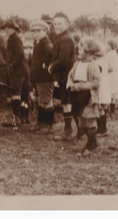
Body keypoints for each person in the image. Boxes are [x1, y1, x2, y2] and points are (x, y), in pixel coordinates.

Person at [67, 38, 102, 157]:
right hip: (78, 95)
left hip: (89, 97)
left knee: (90, 119)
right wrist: (71, 83)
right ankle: (94, 142)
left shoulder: (93, 65)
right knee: (80, 118)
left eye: (81, 49)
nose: (78, 51)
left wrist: (81, 86)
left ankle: (89, 146)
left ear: (89, 52)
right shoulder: (77, 63)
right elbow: (70, 75)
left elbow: (96, 83)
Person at [48, 12, 76, 141]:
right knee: (66, 102)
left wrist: (52, 67)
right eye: (55, 24)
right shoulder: (61, 37)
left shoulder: (65, 38)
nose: (57, 26)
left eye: (60, 23)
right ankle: (72, 130)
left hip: (66, 76)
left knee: (66, 103)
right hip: (64, 76)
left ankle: (68, 131)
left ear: (67, 24)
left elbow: (63, 60)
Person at [28, 20, 55, 133]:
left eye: (38, 31)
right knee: (41, 101)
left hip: (45, 78)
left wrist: (46, 65)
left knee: (47, 101)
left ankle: (48, 126)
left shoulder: (46, 44)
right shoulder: (39, 43)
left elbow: (50, 58)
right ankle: (41, 122)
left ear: (45, 31)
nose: (36, 34)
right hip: (38, 78)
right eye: (34, 32)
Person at [1, 20, 29, 127]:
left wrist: (12, 64)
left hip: (17, 71)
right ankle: (22, 118)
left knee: (15, 94)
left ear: (13, 29)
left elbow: (20, 53)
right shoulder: (12, 39)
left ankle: (15, 119)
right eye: (5, 28)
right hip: (17, 70)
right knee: (18, 94)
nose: (6, 30)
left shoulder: (15, 39)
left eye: (9, 28)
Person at [106, 39, 118, 118]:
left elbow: (110, 67)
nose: (106, 46)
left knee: (109, 94)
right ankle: (112, 112)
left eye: (107, 45)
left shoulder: (110, 54)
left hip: (110, 77)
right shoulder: (115, 53)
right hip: (114, 77)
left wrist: (103, 69)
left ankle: (109, 112)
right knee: (113, 96)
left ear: (111, 45)